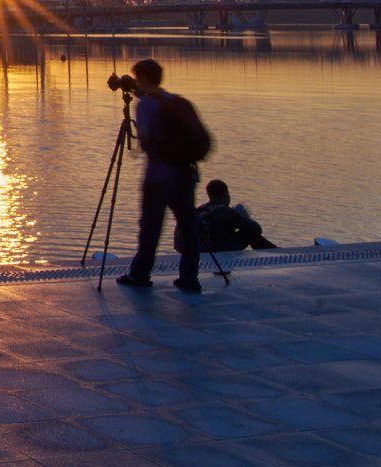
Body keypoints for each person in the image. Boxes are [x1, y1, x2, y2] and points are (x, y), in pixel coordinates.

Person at [117, 58, 204, 293]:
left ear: (144, 78)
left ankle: (140, 274)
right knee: (188, 227)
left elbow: (144, 143)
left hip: (159, 176)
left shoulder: (146, 105)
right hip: (186, 174)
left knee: (150, 228)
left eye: (137, 78)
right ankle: (189, 278)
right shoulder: (173, 100)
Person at [198, 179, 276, 252]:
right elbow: (257, 228)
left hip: (205, 250)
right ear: (225, 196)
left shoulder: (201, 209)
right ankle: (276, 251)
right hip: (224, 250)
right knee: (251, 232)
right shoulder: (224, 210)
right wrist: (243, 217)